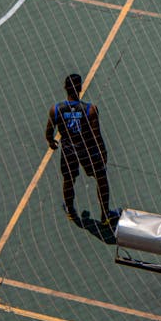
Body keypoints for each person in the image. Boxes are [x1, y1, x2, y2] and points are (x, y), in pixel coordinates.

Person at [45, 74, 119, 227]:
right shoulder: (90, 110)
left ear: (65, 88)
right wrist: (103, 152)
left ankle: (71, 211)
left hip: (68, 152)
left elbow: (48, 132)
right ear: (80, 88)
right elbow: (96, 135)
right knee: (101, 177)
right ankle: (105, 215)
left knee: (69, 180)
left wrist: (51, 142)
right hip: (88, 150)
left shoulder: (56, 109)